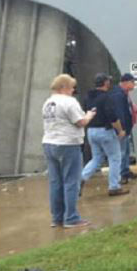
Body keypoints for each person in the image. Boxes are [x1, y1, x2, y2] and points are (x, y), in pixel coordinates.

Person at [43, 74, 95, 228]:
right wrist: (89, 115)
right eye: (72, 87)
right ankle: (71, 217)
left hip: (49, 142)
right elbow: (80, 122)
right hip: (68, 144)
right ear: (63, 87)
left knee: (55, 182)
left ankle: (57, 217)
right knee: (71, 181)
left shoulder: (47, 102)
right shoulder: (69, 102)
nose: (73, 90)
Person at [82, 73, 129, 196]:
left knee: (97, 158)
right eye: (108, 81)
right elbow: (112, 116)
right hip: (105, 131)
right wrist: (120, 130)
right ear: (105, 83)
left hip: (91, 130)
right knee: (115, 157)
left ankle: (80, 179)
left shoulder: (88, 97)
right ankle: (114, 186)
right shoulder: (106, 97)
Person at [110, 73, 137, 184]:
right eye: (133, 82)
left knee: (126, 151)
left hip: (127, 127)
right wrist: (121, 129)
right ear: (126, 82)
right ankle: (121, 174)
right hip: (122, 129)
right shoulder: (118, 94)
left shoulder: (124, 94)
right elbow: (119, 113)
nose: (134, 85)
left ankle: (126, 170)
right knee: (121, 152)